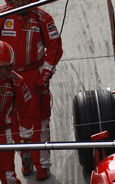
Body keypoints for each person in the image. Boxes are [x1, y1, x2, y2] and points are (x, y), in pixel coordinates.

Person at [0, 0, 63, 181]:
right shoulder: (2, 15)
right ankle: (24, 156)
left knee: (41, 122)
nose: (22, 1)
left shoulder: (43, 17)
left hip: (35, 77)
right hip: (5, 77)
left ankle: (42, 165)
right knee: (10, 124)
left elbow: (55, 47)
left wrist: (45, 72)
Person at [0, 41, 39, 184]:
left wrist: (25, 145)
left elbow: (26, 112)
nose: (5, 72)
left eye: (8, 67)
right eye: (1, 68)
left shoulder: (18, 82)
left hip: (4, 133)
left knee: (9, 178)